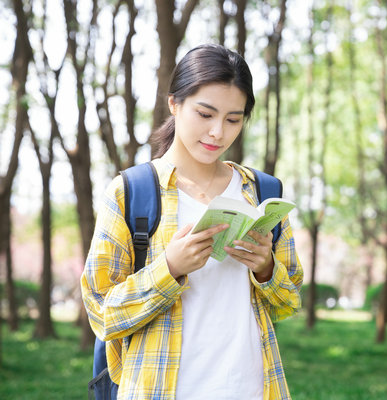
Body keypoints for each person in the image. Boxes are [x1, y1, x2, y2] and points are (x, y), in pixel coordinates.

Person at [81, 44, 303, 400]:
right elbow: (103, 314)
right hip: (159, 389)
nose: (218, 132)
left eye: (233, 119)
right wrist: (169, 268)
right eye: (205, 114)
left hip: (250, 388)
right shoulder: (131, 191)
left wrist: (265, 268)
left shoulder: (261, 192)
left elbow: (288, 303)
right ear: (174, 103)